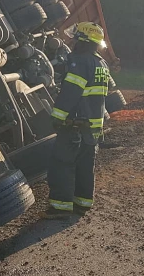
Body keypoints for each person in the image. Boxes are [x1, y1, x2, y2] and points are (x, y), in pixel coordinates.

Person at [46, 22, 114, 217]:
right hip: (92, 126)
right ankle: (83, 202)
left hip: (75, 124)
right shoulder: (101, 63)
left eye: (76, 37)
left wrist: (58, 118)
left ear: (83, 40)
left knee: (62, 163)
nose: (72, 40)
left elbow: (70, 93)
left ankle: (60, 207)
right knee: (85, 166)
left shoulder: (79, 61)